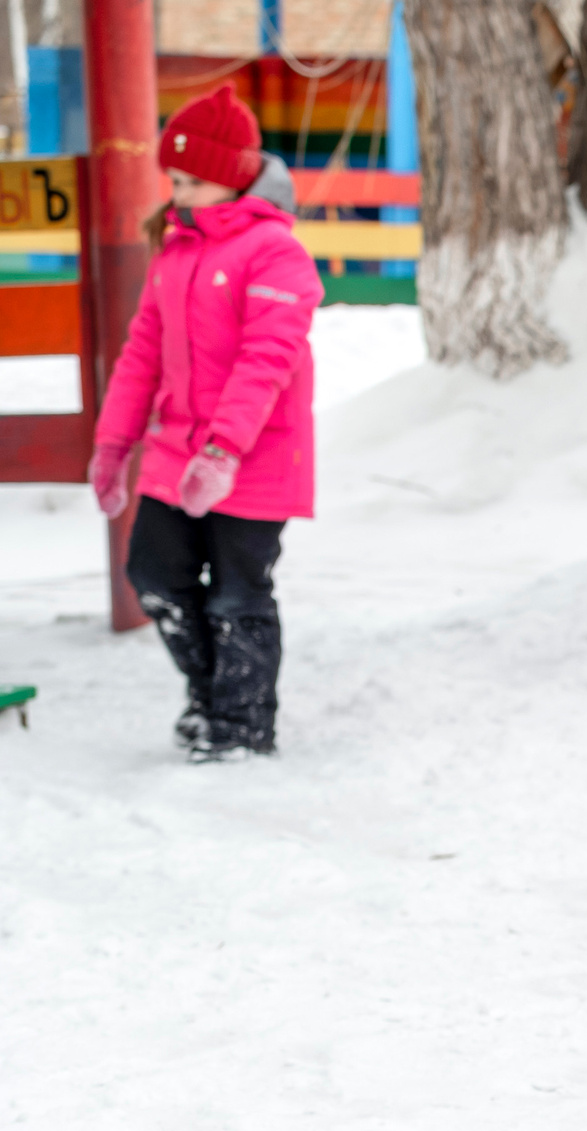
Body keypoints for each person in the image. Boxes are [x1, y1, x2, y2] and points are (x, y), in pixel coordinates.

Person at [89, 84, 320, 762]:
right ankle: (209, 694)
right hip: (174, 453)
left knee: (238, 590)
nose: (180, 191)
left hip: (253, 458)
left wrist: (222, 452)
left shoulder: (277, 255)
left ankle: (243, 726)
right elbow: (141, 358)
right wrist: (112, 445)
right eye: (175, 178)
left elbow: (265, 361)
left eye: (193, 179)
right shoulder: (177, 252)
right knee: (156, 575)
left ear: (230, 175)